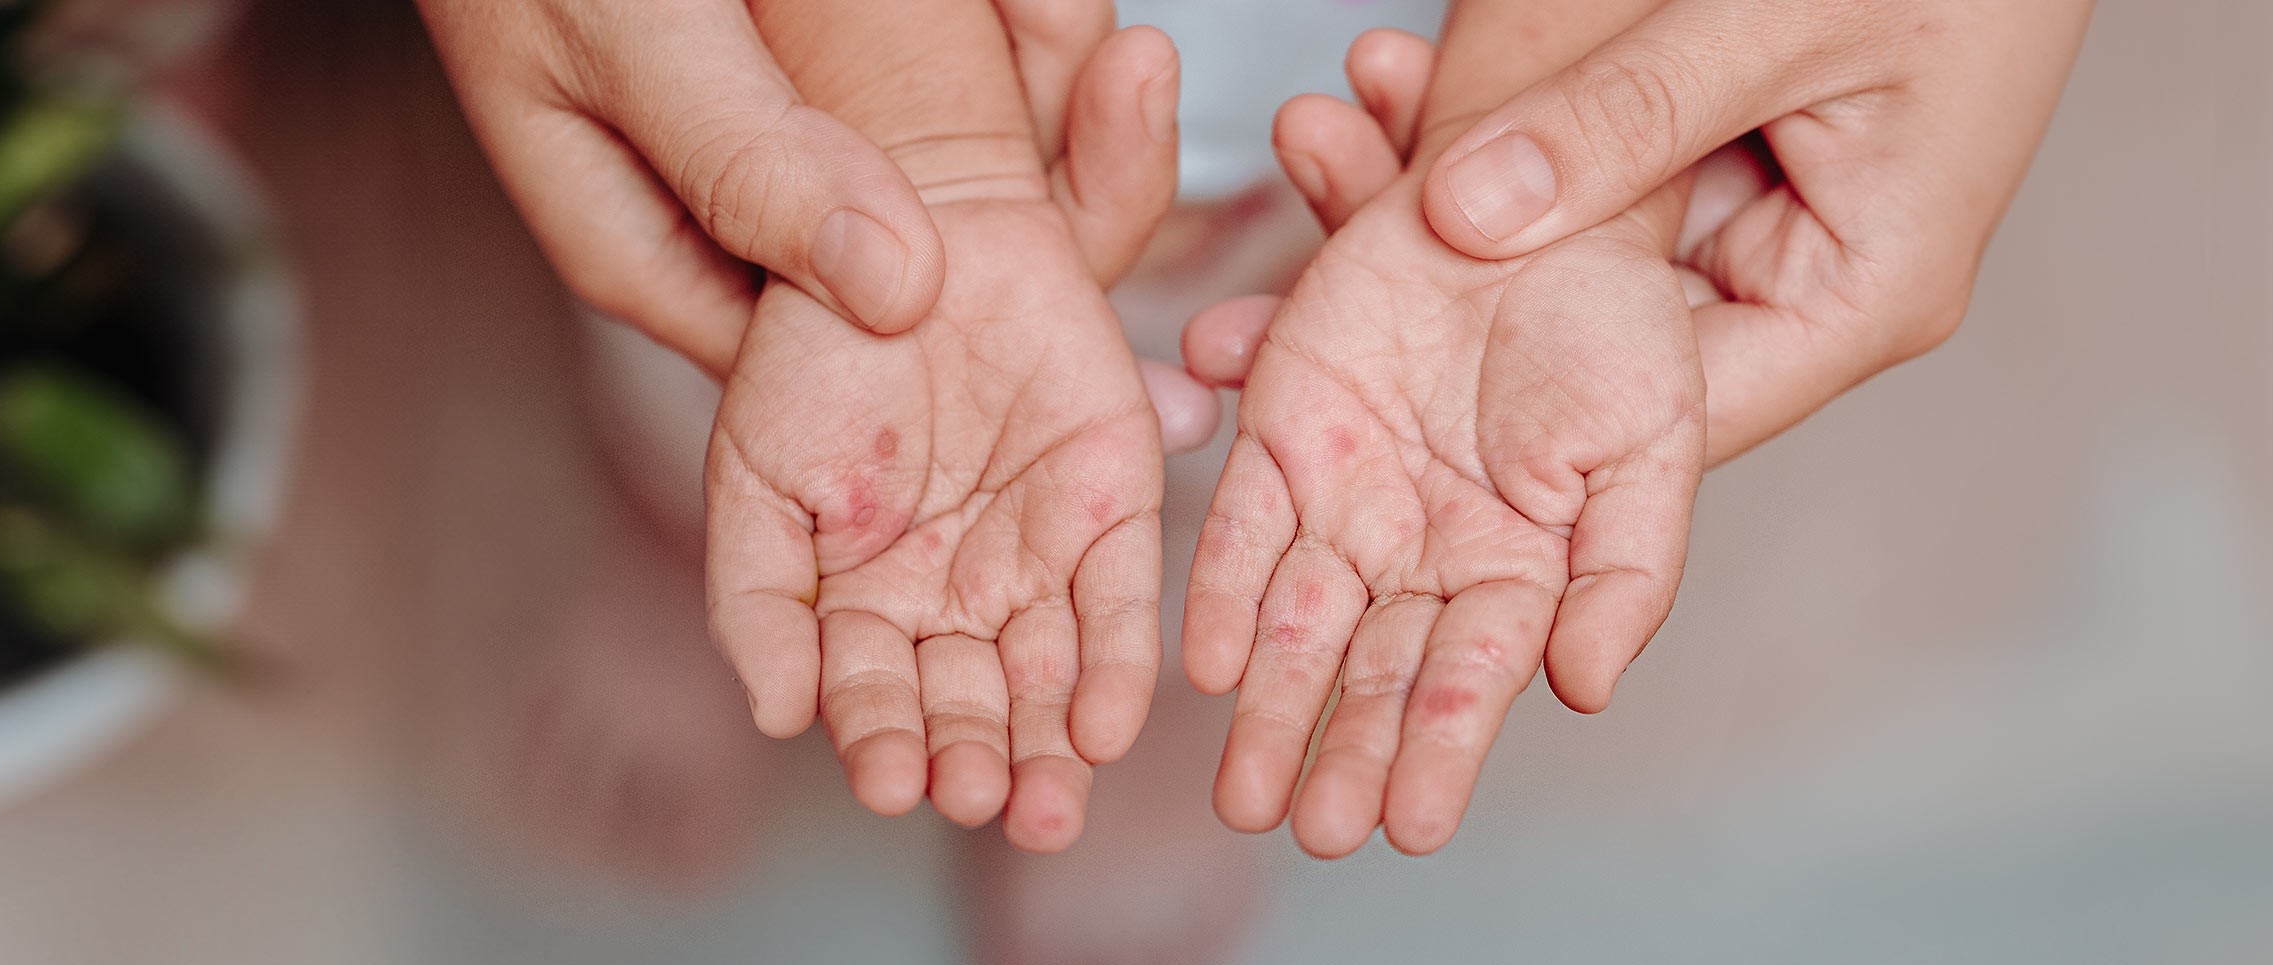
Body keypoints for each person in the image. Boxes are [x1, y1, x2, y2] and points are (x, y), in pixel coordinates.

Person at [416, 0, 2088, 857]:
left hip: (1407, 95)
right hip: (822, 79)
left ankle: (1151, 695)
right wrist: (920, 129)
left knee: (1334, 426)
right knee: (779, 344)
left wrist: (1548, 143)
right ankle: (681, 529)